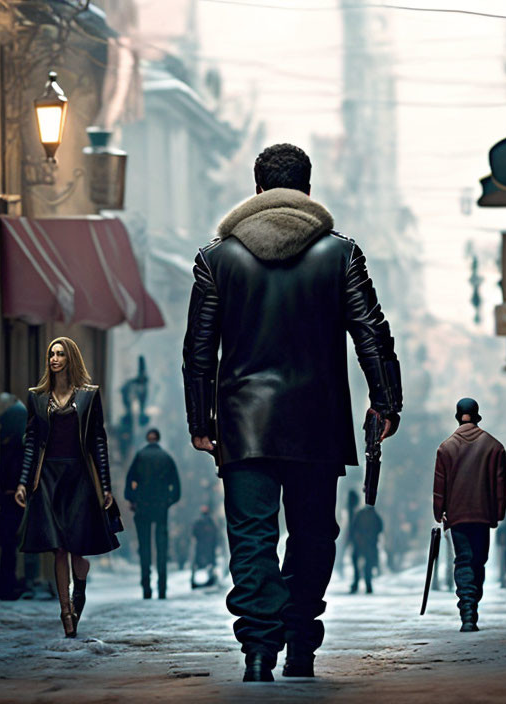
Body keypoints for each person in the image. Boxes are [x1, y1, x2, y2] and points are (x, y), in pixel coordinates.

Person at [183, 143, 402, 682]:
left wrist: (200, 422)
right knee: (312, 534)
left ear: (257, 189)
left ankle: (259, 650)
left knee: (251, 537)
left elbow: (198, 349)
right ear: (307, 188)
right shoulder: (340, 254)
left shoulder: (217, 259)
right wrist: (385, 400)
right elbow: (370, 332)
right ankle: (301, 641)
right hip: (317, 421)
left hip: (242, 421)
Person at [14, 337, 120, 638]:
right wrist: (24, 482)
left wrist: (105, 485)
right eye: (51, 354)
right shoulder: (37, 397)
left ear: (70, 358)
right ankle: (65, 611)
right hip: (48, 478)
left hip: (80, 477)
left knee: (76, 547)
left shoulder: (89, 396)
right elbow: (31, 442)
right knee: (58, 547)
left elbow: (99, 441)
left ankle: (80, 589)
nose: (54, 359)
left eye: (60, 354)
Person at [433, 398, 506, 632]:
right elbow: (500, 485)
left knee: (463, 560)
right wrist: (498, 513)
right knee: (478, 561)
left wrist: (439, 511)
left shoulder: (446, 448)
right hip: (483, 515)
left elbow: (440, 484)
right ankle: (472, 605)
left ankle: (467, 612)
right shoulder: (495, 447)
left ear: (457, 416)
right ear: (477, 416)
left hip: (457, 516)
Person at [125, 428, 181, 599]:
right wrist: (168, 501)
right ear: (159, 438)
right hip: (160, 507)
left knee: (145, 547)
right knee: (161, 547)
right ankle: (162, 588)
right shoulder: (166, 458)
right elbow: (176, 488)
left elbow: (129, 482)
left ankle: (146, 587)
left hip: (143, 506)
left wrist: (133, 500)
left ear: (147, 439)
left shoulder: (140, 456)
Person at [0, 393, 27, 600]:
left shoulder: (12, 445)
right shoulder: (17, 444)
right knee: (9, 544)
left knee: (8, 544)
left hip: (11, 497)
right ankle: (7, 584)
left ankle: (6, 585)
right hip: (13, 497)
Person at [349, 505, 383, 594]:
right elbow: (380, 528)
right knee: (367, 566)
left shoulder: (360, 514)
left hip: (361, 544)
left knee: (360, 565)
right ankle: (367, 586)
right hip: (368, 544)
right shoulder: (374, 515)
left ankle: (358, 585)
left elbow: (353, 528)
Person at [191, 506, 219, 589]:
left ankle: (207, 580)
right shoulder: (209, 523)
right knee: (205, 564)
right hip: (204, 547)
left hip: (205, 547)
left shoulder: (207, 523)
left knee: (206, 564)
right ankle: (201, 580)